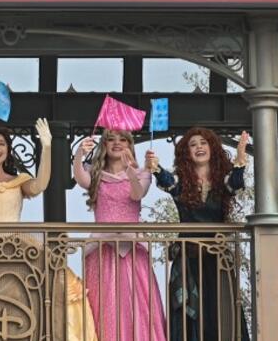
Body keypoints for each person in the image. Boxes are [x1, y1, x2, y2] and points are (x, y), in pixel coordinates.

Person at [0, 118, 97, 341]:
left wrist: (47, 146)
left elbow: (39, 185)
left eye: (2, 143)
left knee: (43, 289)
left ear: (9, 151)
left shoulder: (18, 181)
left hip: (18, 248)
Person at [147, 129, 250, 341]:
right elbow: (166, 180)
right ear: (187, 153)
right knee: (187, 315)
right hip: (188, 258)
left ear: (212, 148)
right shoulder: (181, 182)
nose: (199, 147)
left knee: (220, 314)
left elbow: (236, 183)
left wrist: (241, 158)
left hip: (217, 258)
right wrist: (155, 166)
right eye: (193, 144)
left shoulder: (222, 181)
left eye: (203, 143)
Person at [74, 129, 166, 341]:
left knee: (138, 307)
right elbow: (80, 178)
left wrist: (131, 172)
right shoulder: (95, 173)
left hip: (133, 252)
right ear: (103, 145)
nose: (117, 143)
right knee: (102, 305)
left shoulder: (143, 172)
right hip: (101, 251)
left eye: (123, 139)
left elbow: (137, 193)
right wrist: (80, 153)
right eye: (111, 139)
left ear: (130, 145)